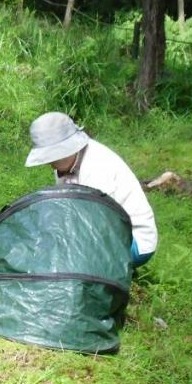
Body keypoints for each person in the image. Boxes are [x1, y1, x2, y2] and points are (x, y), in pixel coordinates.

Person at [24, 111, 157, 267]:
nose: (50, 164)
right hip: (103, 232)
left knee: (68, 261)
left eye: (53, 157)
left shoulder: (97, 168)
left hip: (133, 240)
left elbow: (95, 226)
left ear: (68, 149)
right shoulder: (66, 164)